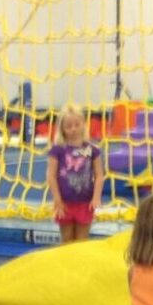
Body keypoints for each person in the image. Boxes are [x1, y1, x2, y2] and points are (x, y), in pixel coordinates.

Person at [47, 104, 104, 243]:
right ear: (62, 129)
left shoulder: (92, 149)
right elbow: (51, 176)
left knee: (81, 242)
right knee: (66, 240)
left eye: (77, 124)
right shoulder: (58, 150)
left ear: (83, 124)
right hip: (65, 203)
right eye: (69, 126)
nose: (73, 129)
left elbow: (99, 175)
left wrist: (96, 198)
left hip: (85, 202)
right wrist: (57, 200)